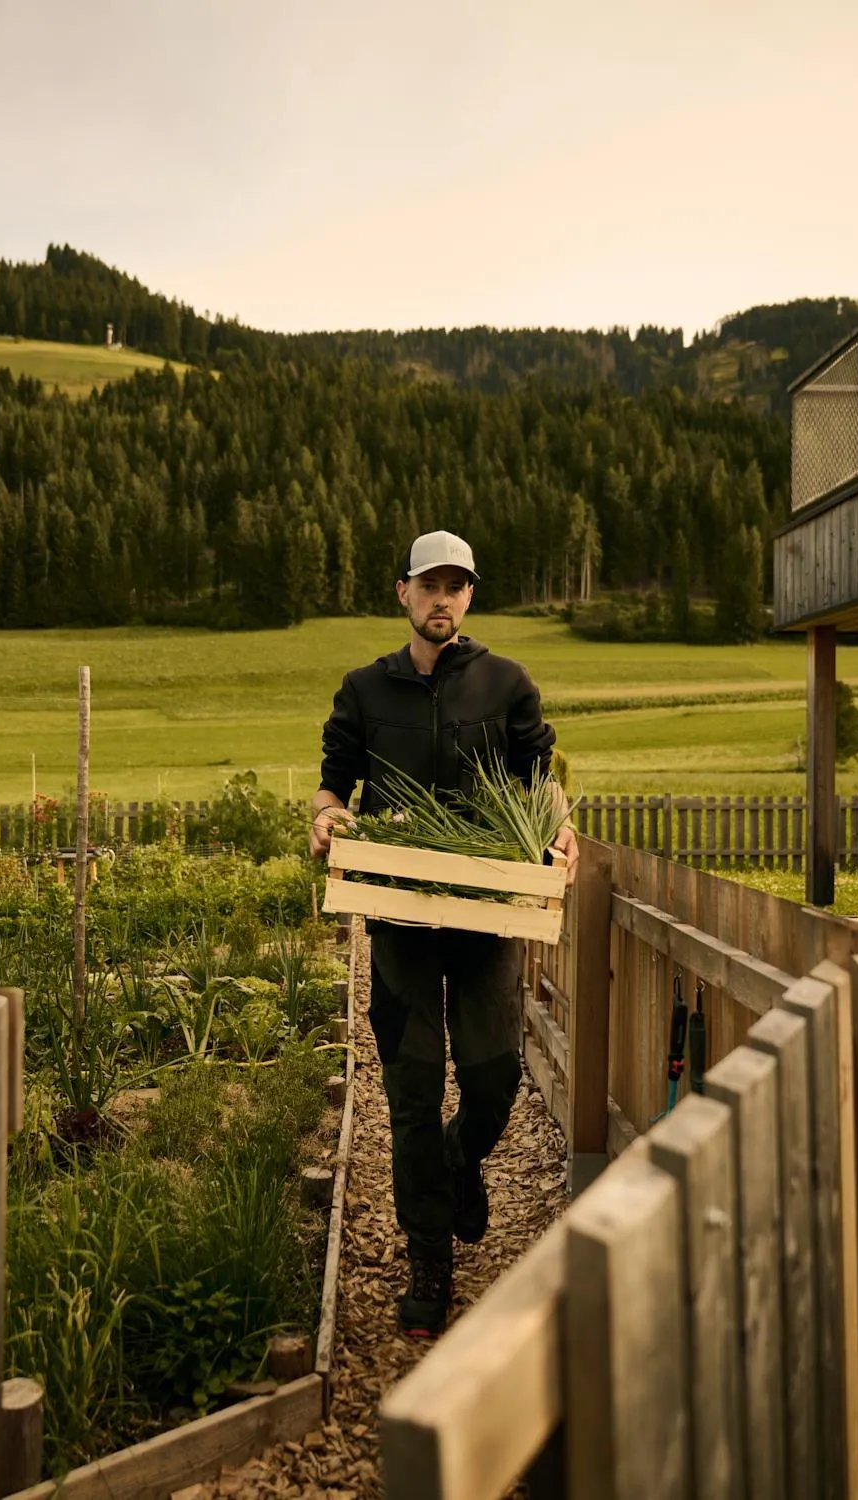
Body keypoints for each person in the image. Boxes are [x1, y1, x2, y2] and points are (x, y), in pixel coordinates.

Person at [310, 529, 577, 1336]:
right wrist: (325, 823)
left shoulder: (506, 683)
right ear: (404, 592)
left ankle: (460, 1166)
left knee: (494, 1079)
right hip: (400, 921)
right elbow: (332, 785)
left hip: (487, 916)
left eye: (457, 586)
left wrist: (562, 837)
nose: (443, 598)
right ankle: (430, 1259)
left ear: (469, 597)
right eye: (430, 584)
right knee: (413, 1090)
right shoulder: (365, 690)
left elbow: (543, 781)